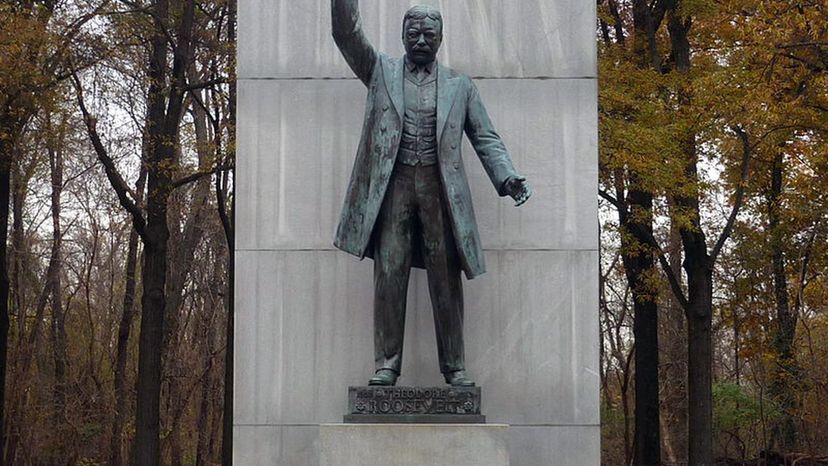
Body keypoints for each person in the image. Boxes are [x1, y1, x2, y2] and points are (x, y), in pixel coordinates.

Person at [331, 0, 531, 387]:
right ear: (403, 36)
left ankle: (454, 365)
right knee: (389, 275)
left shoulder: (460, 85)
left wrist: (507, 177)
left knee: (445, 279)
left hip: (440, 192)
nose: (421, 40)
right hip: (394, 187)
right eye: (414, 33)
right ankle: (386, 363)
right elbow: (346, 34)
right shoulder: (380, 71)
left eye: (429, 34)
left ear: (440, 39)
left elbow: (485, 136)